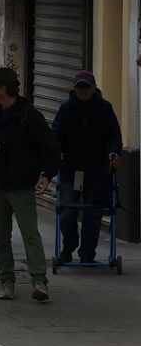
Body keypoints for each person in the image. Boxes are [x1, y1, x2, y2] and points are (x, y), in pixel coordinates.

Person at [0, 68, 59, 301]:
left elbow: (51, 147)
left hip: (22, 184)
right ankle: (6, 280)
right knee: (0, 236)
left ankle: (39, 281)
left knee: (29, 233)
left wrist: (47, 175)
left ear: (2, 88)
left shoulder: (29, 115)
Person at [52, 70, 123, 265]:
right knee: (67, 211)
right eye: (79, 87)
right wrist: (55, 152)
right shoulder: (66, 109)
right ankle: (69, 245)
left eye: (86, 87)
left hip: (96, 170)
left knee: (93, 211)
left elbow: (114, 135)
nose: (82, 91)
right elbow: (55, 133)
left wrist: (114, 152)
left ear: (93, 88)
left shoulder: (104, 108)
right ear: (73, 88)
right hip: (71, 169)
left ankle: (87, 253)